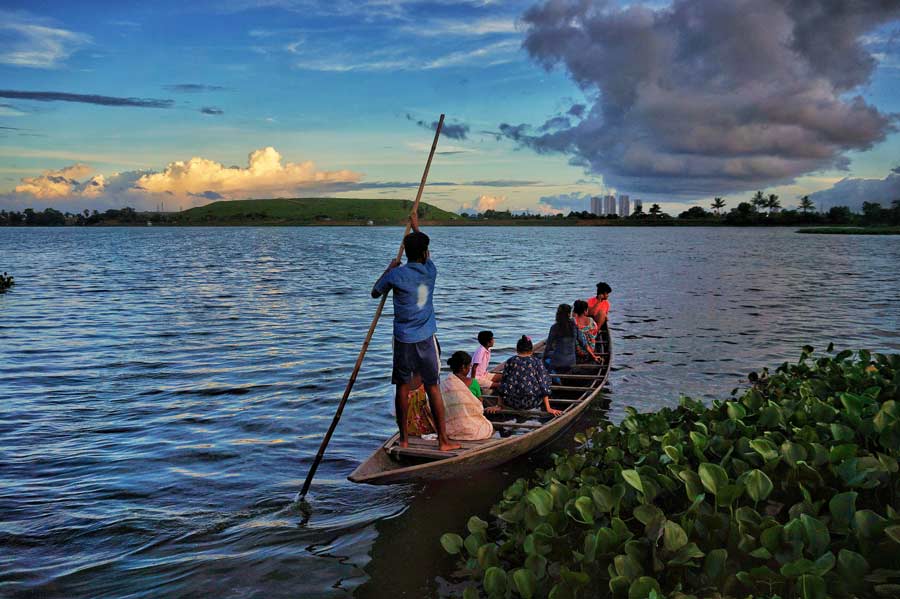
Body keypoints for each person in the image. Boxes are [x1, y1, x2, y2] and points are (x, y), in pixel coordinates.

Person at [371, 213, 459, 451]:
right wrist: (417, 227)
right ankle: (443, 441)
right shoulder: (430, 271)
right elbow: (424, 253)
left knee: (402, 387)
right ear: (425, 253)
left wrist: (388, 268)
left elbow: (375, 292)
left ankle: (405, 439)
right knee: (433, 387)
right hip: (426, 340)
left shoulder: (396, 275)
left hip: (403, 340)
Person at [489, 336, 561, 416]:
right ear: (531, 350)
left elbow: (503, 383)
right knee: (546, 379)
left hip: (511, 402)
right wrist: (548, 408)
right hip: (531, 402)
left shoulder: (511, 361)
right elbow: (543, 385)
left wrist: (499, 405)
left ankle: (501, 405)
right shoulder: (536, 362)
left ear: (517, 349)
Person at [440, 351, 494, 440]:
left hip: (450, 426)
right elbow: (479, 405)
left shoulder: (444, 383)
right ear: (463, 367)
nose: (470, 369)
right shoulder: (473, 382)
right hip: (470, 426)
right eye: (469, 366)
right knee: (489, 427)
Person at [545, 304, 598, 374]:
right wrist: (594, 356)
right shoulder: (574, 327)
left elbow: (548, 347)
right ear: (568, 314)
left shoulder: (554, 327)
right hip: (571, 362)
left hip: (557, 363)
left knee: (546, 358)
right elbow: (584, 344)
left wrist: (542, 359)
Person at [587, 282, 612, 353]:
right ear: (601, 294)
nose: (608, 296)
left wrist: (605, 316)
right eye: (607, 294)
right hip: (590, 322)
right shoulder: (590, 301)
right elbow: (590, 313)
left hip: (598, 325)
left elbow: (604, 314)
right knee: (601, 313)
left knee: (602, 313)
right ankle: (594, 332)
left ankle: (595, 332)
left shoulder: (607, 303)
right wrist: (598, 302)